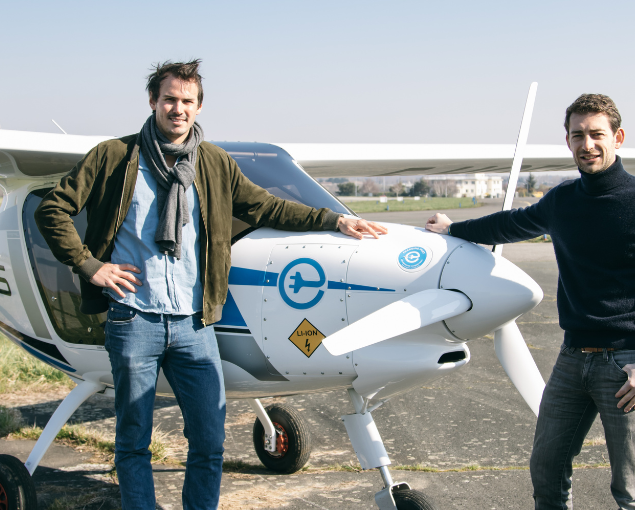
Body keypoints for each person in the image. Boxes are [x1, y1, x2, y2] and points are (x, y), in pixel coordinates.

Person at [35, 59, 387, 510]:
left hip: (194, 325)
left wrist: (336, 219)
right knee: (133, 440)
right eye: (169, 99)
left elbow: (267, 208)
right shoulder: (115, 156)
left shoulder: (214, 163)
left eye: (186, 101)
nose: (177, 109)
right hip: (131, 317)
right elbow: (53, 209)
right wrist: (89, 266)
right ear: (152, 102)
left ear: (199, 107)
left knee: (209, 439)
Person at [426, 94, 635, 509]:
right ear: (567, 142)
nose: (587, 144)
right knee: (547, 470)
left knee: (631, 489)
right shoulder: (563, 201)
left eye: (596, 134)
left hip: (628, 365)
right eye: (578, 135)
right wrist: (453, 228)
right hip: (572, 360)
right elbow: (510, 224)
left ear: (617, 138)